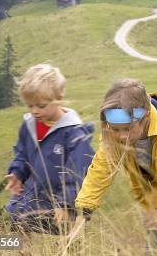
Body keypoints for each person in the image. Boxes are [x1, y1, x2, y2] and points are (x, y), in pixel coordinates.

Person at [73, 79, 157, 252]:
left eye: (127, 129)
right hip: (145, 178)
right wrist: (82, 217)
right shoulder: (112, 133)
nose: (120, 136)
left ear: (146, 116)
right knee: (154, 226)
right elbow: (100, 172)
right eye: (115, 129)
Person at [5, 64, 95, 234]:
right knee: (17, 227)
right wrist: (17, 173)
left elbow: (78, 174)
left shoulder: (74, 134)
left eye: (41, 106)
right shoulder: (29, 125)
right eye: (30, 106)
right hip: (31, 199)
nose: (35, 111)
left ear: (59, 97)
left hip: (61, 207)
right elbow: (22, 154)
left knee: (66, 243)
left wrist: (65, 205)